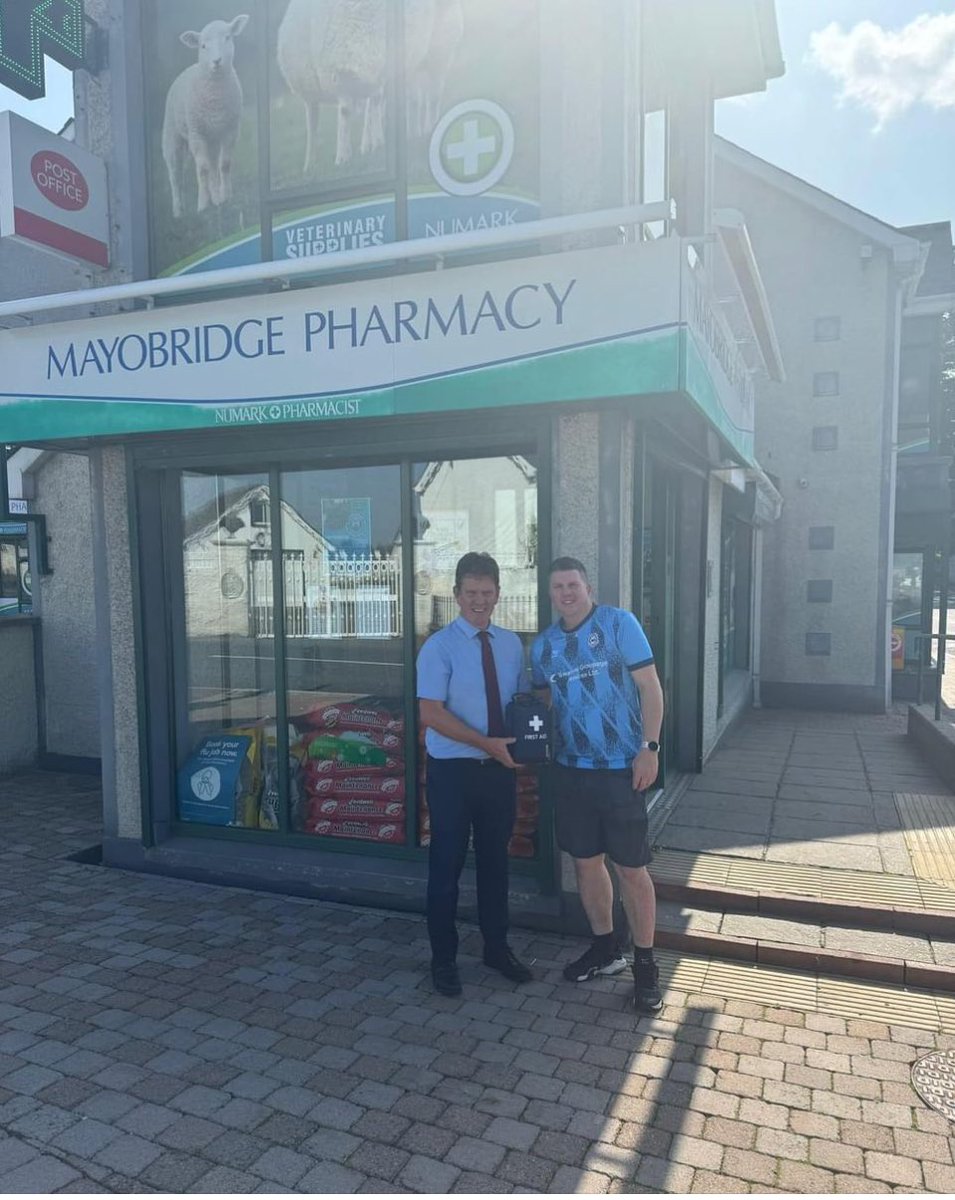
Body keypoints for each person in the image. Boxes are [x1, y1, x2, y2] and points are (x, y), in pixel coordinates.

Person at [531, 556, 665, 1014]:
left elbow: (650, 686)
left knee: (631, 869)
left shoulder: (617, 624)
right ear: (550, 594)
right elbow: (543, 700)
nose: (566, 593)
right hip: (571, 770)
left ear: (588, 586)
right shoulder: (544, 647)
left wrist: (651, 746)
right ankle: (606, 949)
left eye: (572, 584)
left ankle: (646, 964)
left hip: (621, 768)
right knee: (586, 866)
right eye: (557, 587)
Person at [416, 551, 534, 996]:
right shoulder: (438, 648)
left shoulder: (509, 644)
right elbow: (431, 713)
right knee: (445, 866)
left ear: (499, 594)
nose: (479, 601)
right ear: (457, 596)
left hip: (497, 773)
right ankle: (443, 959)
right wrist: (485, 744)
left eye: (487, 593)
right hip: (452, 773)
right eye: (471, 593)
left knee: (495, 863)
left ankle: (496, 948)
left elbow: (519, 704)